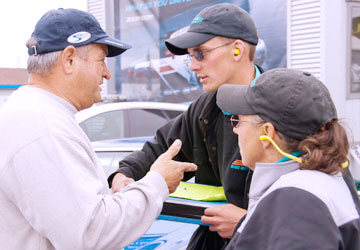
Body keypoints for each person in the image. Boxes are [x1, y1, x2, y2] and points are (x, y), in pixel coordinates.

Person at [0, 8, 197, 250]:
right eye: (101, 60)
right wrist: (157, 183)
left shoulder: (37, 114)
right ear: (69, 59)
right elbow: (89, 234)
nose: (106, 73)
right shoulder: (43, 129)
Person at [109, 3, 262, 248]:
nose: (192, 66)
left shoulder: (284, 108)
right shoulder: (204, 109)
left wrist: (250, 222)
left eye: (200, 53)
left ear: (237, 50)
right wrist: (125, 174)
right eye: (191, 55)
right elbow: (162, 150)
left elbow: (310, 208)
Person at [216, 68, 360, 249]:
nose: (235, 129)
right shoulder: (324, 180)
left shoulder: (296, 201)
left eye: (237, 120)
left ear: (267, 132)